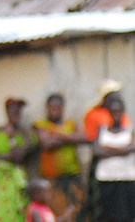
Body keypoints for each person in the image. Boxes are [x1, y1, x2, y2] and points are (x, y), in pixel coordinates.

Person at [32, 93, 87, 221]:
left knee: (77, 212)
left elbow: (84, 137)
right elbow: (46, 143)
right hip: (52, 179)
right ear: (47, 108)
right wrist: (70, 138)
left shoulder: (70, 124)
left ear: (63, 108)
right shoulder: (41, 124)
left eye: (57, 107)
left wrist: (57, 135)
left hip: (73, 177)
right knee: (57, 213)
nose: (54, 110)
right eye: (52, 107)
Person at [0, 98, 37, 222]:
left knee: (20, 210)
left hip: (20, 180)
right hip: (3, 180)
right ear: (7, 113)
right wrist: (8, 156)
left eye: (18, 113)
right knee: (3, 212)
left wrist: (6, 153)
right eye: (13, 112)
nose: (16, 115)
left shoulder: (26, 133)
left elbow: (19, 156)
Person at [91, 97, 135, 222]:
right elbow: (97, 151)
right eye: (113, 112)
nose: (116, 115)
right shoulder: (102, 130)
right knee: (108, 215)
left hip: (126, 178)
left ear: (123, 112)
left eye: (118, 111)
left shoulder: (130, 131)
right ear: (108, 113)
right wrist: (122, 149)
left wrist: (108, 149)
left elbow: (132, 148)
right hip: (107, 179)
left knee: (126, 215)